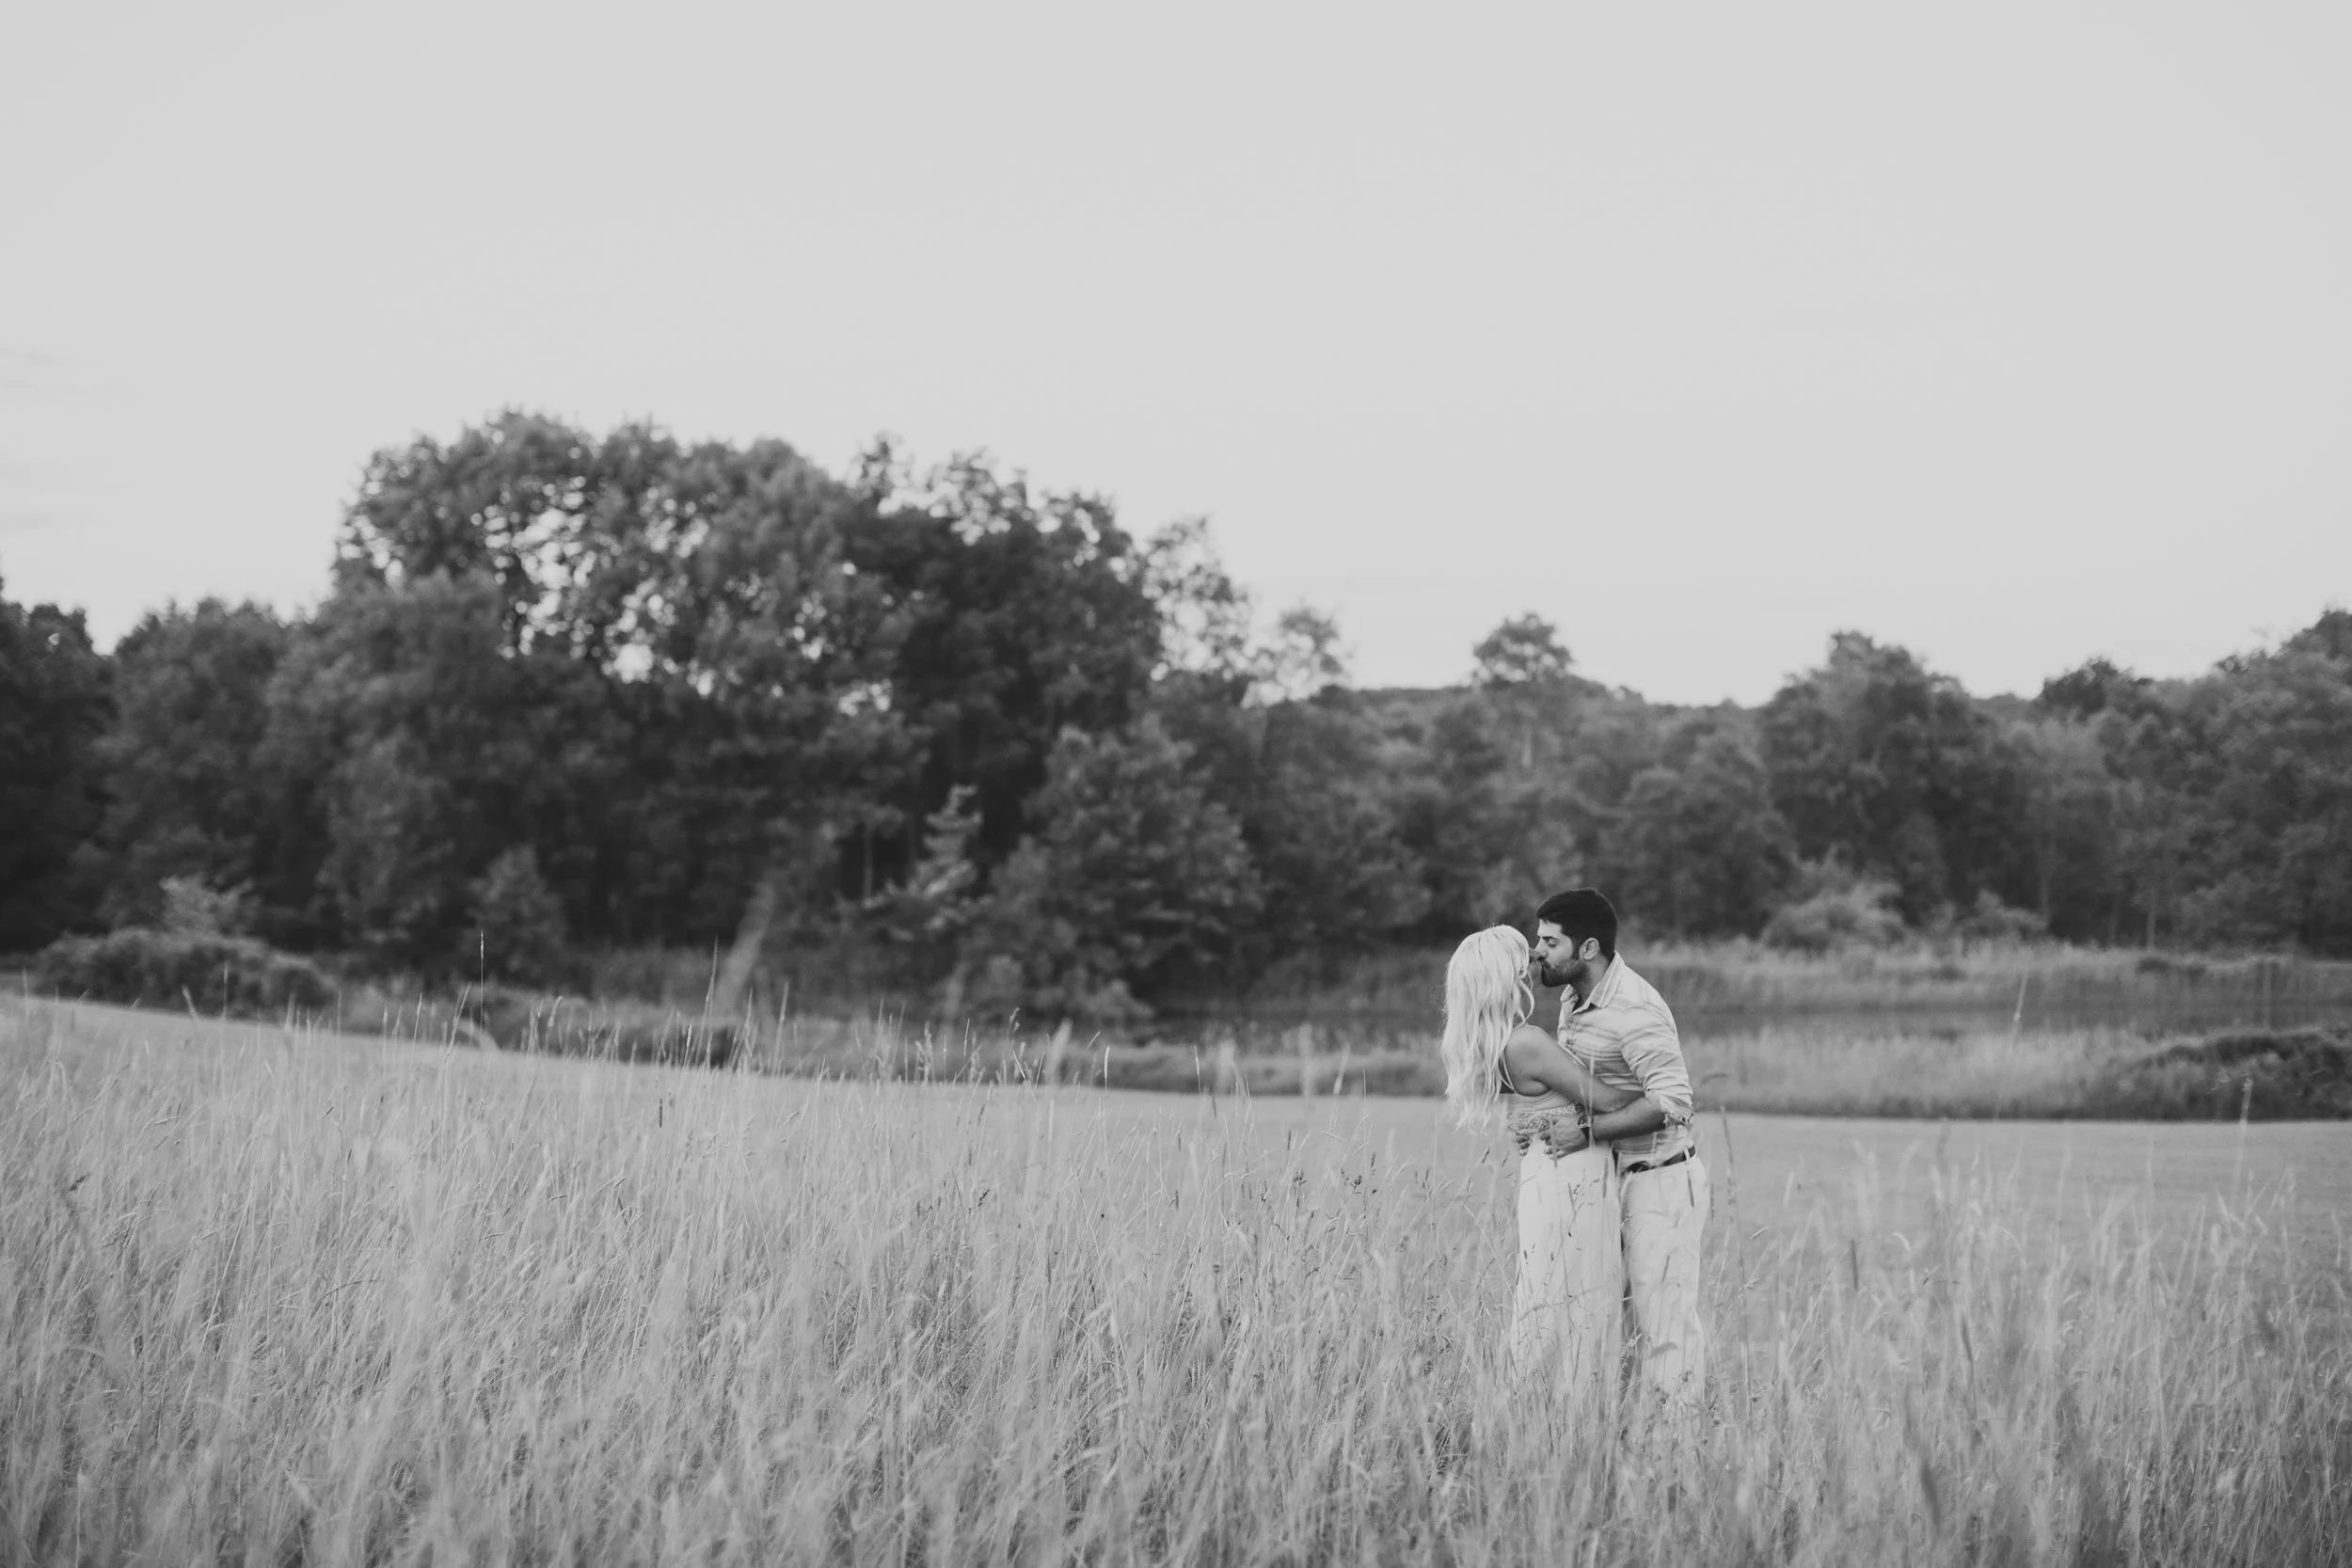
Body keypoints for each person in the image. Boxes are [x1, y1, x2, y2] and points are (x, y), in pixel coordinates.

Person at [1519, 888, 1708, 1408]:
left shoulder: (1636, 1009)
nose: (1538, 951)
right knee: (1609, 1328)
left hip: (1659, 1180)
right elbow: (1587, 1091)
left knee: (1665, 1327)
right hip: (1605, 1182)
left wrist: (1584, 1135)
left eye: (1550, 941)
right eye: (1540, 939)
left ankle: (1676, 1463)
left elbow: (1673, 1102)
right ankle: (1622, 1455)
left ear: (1587, 949)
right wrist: (1543, 1121)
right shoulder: (1573, 999)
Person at [1441, 925, 1641, 1406]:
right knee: (1579, 1300)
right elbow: (1609, 1101)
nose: (1534, 958)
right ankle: (1575, 1416)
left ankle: (1546, 1416)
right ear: (1503, 977)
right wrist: (1660, 1087)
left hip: (1547, 1176)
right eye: (1523, 955)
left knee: (1551, 1296)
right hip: (1569, 1178)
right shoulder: (1526, 1041)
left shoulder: (1498, 1045)